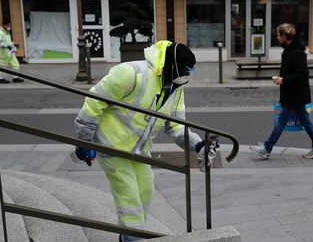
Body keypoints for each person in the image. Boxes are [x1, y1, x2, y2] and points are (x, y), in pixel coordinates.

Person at [72, 40, 218, 242]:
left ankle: (128, 236)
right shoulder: (132, 73)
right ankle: (133, 238)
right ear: (172, 65)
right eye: (185, 71)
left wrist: (197, 144)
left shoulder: (175, 88)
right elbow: (94, 101)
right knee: (129, 198)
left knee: (145, 190)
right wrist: (84, 141)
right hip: (112, 147)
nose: (187, 77)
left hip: (140, 151)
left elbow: (175, 126)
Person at [250, 23, 313, 160]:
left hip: (294, 95)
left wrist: (283, 80)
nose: (277, 37)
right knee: (305, 121)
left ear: (285, 36)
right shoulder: (290, 50)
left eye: (279, 35)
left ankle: (266, 148)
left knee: (281, 122)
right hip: (295, 95)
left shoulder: (296, 53)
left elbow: (303, 74)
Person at [0, 18, 24, 84]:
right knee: (3, 66)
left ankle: (16, 77)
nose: (9, 27)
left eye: (10, 25)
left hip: (11, 52)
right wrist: (6, 46)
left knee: (16, 64)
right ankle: (1, 78)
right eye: (8, 25)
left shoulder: (7, 33)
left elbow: (9, 41)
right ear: (3, 25)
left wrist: (14, 44)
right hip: (4, 53)